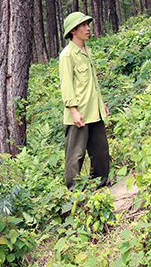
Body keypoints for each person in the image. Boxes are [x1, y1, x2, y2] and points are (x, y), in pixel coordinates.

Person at [59, 12, 110, 190]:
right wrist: (73, 110)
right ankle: (73, 193)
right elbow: (67, 86)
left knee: (101, 151)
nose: (88, 29)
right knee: (75, 155)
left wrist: (100, 103)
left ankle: (101, 184)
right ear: (73, 30)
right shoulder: (67, 55)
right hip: (78, 114)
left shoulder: (86, 51)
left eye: (88, 24)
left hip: (93, 111)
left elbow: (92, 83)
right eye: (83, 26)